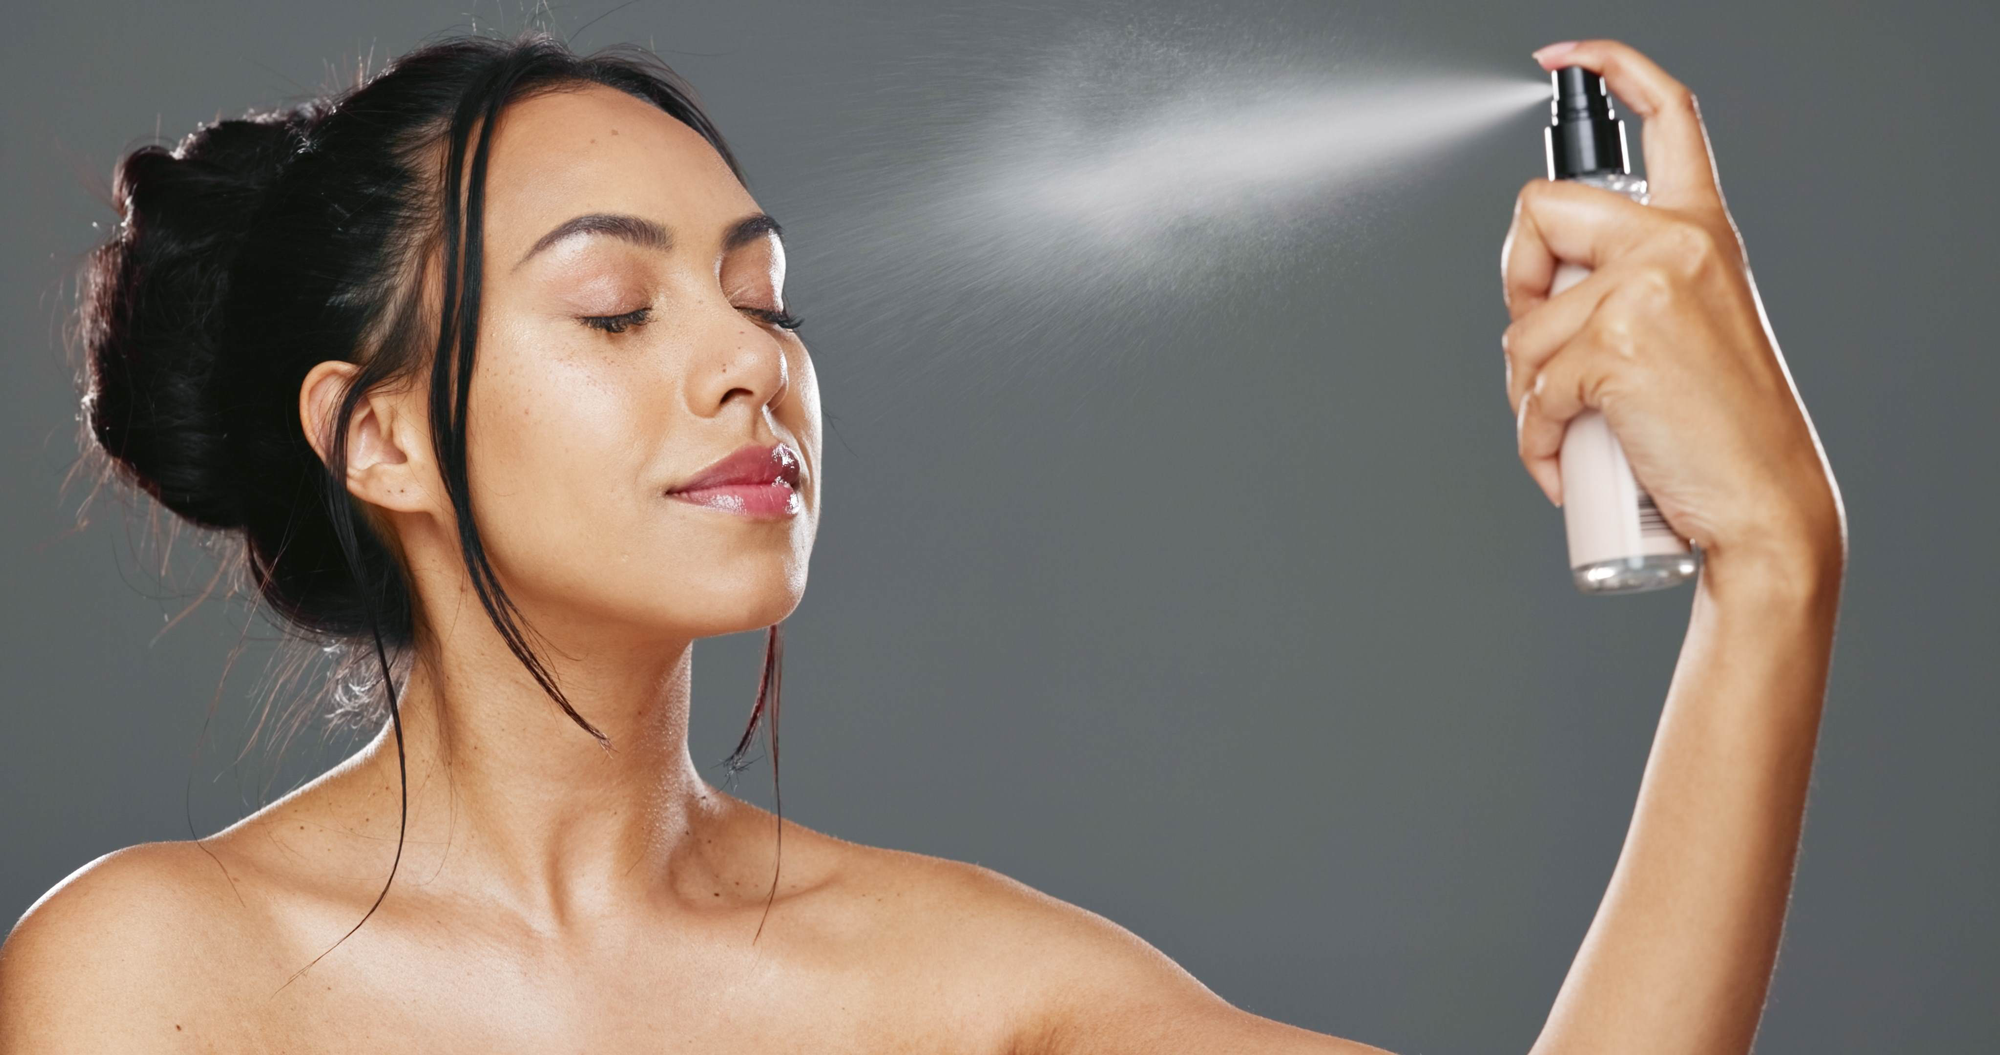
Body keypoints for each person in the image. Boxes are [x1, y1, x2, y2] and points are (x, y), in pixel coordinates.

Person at [0, 31, 1845, 1054]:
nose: (749, 367)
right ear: (381, 433)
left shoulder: (962, 988)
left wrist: (1772, 567)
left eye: (767, 298)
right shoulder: (161, 975)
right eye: (619, 313)